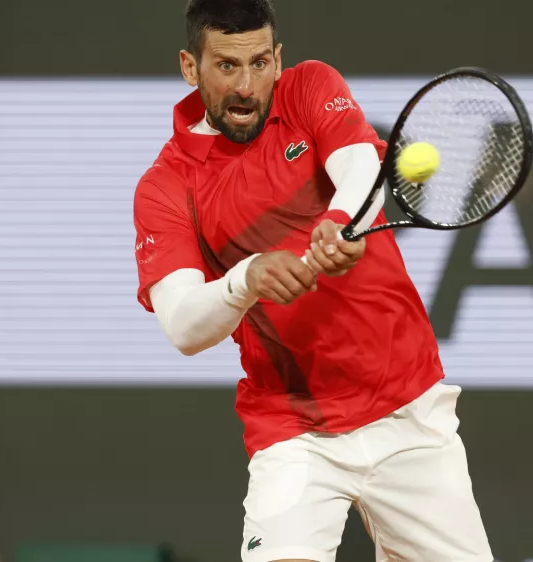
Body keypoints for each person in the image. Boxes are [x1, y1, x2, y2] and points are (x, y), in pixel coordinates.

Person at [131, 0, 494, 561]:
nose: (246, 86)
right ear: (189, 66)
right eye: (226, 66)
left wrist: (339, 222)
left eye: (258, 63)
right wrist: (245, 279)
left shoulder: (308, 88)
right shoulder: (166, 187)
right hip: (293, 427)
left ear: (278, 59)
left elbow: (359, 166)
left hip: (406, 408)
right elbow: (182, 325)